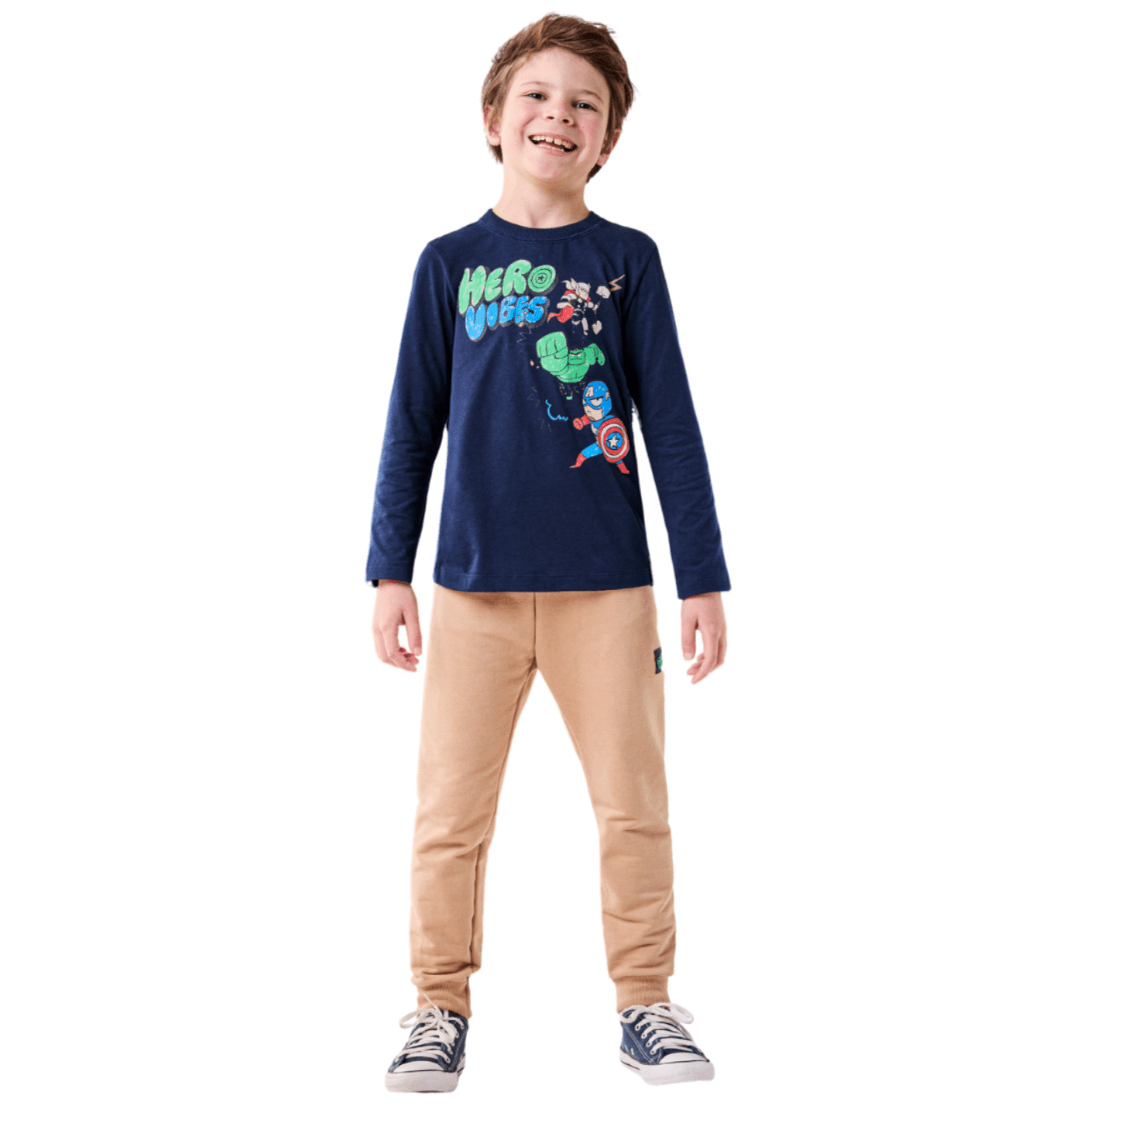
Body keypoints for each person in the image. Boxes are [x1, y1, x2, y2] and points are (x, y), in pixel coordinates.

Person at [366, 13, 730, 1093]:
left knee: (633, 801)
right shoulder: (448, 264)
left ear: (607, 139)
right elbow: (410, 424)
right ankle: (437, 1004)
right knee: (449, 814)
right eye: (537, 95)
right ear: (494, 117)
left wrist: (703, 577)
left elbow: (671, 425)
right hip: (472, 589)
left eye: (585, 104)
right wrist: (389, 570)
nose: (557, 115)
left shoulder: (626, 262)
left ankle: (645, 1000)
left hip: (606, 590)